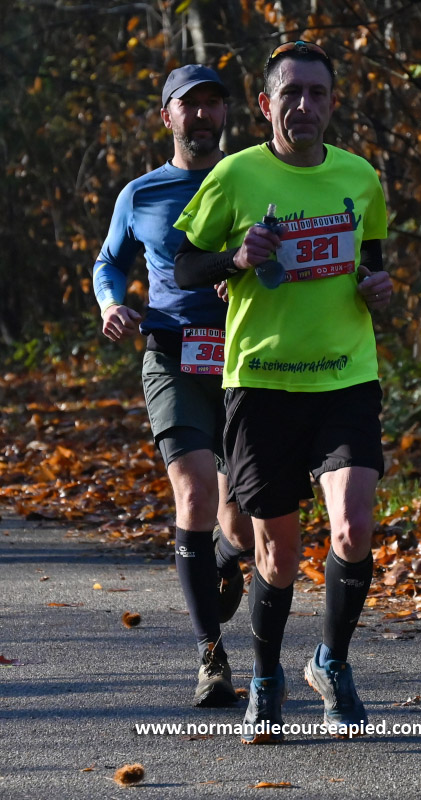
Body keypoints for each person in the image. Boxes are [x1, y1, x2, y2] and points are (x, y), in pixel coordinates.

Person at [174, 41, 393, 743]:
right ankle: (266, 676)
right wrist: (235, 258)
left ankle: (331, 662)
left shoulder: (360, 177)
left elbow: (372, 260)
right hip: (262, 382)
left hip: (346, 375)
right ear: (267, 105)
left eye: (317, 93)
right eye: (291, 93)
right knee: (278, 555)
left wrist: (379, 287)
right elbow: (184, 265)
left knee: (353, 526)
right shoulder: (236, 175)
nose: (305, 105)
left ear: (332, 103)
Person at [92, 64, 254, 709]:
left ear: (226, 114)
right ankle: (211, 654)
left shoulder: (251, 180)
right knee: (194, 494)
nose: (203, 115)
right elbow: (110, 261)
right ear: (168, 117)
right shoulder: (141, 194)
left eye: (214, 103)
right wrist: (112, 302)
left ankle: (221, 556)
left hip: (249, 359)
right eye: (191, 105)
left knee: (241, 524)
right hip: (172, 355)